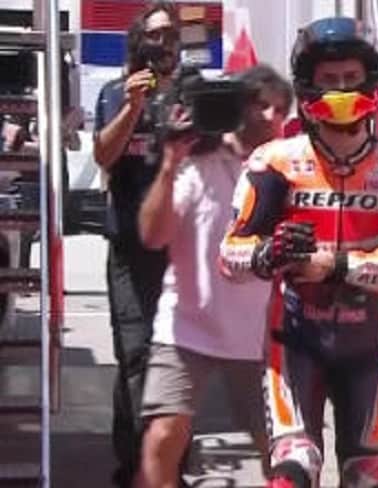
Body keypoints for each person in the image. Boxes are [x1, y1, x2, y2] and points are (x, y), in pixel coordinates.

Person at [220, 16, 378, 488]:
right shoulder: (273, 161)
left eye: (350, 78)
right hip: (293, 338)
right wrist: (267, 255)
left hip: (371, 345)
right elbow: (229, 256)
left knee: (367, 473)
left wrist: (336, 265)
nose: (341, 90)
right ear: (308, 86)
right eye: (329, 79)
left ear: (370, 82)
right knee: (293, 467)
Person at [133, 64, 293, 488]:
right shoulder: (196, 162)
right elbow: (152, 236)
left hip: (260, 334)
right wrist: (169, 163)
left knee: (283, 453)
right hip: (186, 327)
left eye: (281, 110)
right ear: (240, 106)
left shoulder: (288, 169)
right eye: (262, 105)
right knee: (161, 439)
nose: (272, 117)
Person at [91, 3, 180, 486]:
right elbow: (104, 155)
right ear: (139, 42)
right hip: (128, 246)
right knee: (135, 352)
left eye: (170, 35)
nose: (163, 43)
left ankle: (169, 463)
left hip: (179, 250)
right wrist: (133, 107)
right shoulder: (116, 92)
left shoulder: (190, 96)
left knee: (177, 356)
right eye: (155, 35)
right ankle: (135, 464)